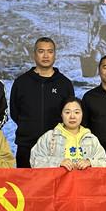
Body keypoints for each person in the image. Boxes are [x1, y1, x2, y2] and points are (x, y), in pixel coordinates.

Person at [10, 37, 74, 168]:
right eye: (41, 51)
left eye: (50, 51)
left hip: (57, 148)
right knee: (25, 181)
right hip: (26, 146)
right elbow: (15, 112)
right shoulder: (21, 83)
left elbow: (69, 114)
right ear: (34, 54)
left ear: (54, 55)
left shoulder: (64, 84)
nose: (46, 56)